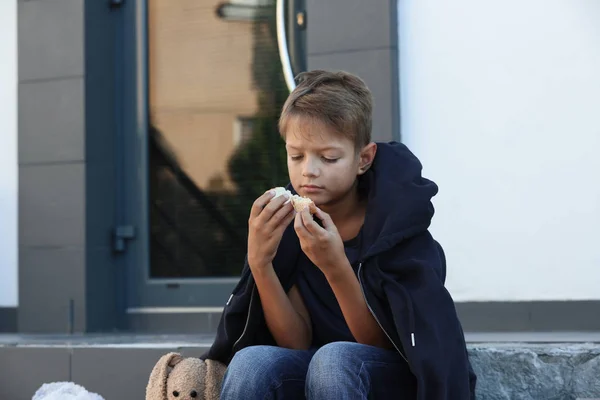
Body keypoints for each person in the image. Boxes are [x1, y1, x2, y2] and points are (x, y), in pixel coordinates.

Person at [201, 70, 477, 399]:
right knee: (251, 362)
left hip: (387, 372)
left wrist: (335, 265)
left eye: (328, 157)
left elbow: (383, 343)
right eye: (296, 155)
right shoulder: (292, 222)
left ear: (364, 159)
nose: (309, 171)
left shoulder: (396, 224)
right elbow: (296, 342)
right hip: (316, 367)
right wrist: (261, 263)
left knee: (334, 361)